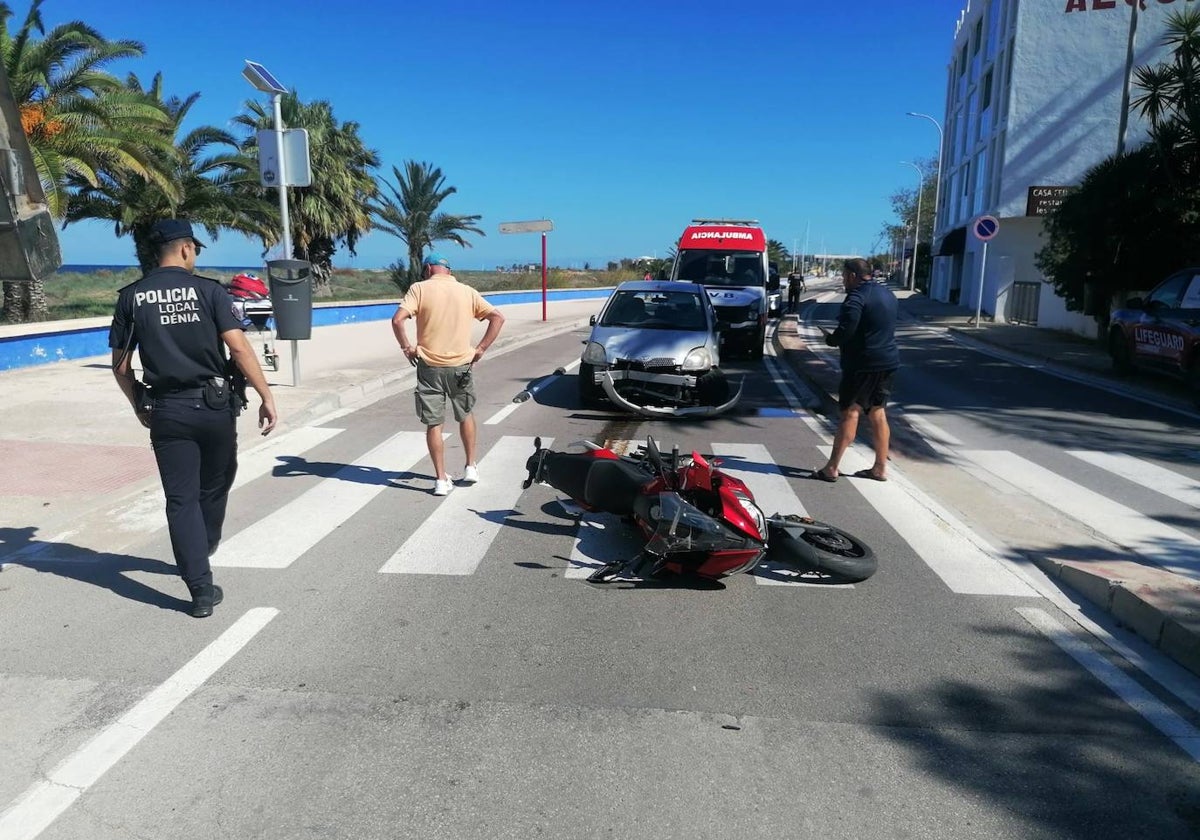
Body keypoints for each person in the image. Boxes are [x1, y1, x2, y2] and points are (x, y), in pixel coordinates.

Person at [109, 219, 278, 618]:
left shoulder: (131, 298)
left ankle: (200, 590)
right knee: (217, 481)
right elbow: (238, 350)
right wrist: (266, 395)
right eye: (195, 248)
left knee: (180, 499)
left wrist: (138, 404)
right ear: (186, 249)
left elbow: (119, 365)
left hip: (166, 409)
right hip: (215, 407)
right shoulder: (209, 291)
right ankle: (205, 544)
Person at [392, 253, 506, 495]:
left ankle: (441, 480)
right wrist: (481, 348)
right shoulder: (467, 291)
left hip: (429, 367)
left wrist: (407, 348)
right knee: (465, 414)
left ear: (428, 268)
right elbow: (497, 317)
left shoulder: (419, 289)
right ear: (448, 270)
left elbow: (397, 320)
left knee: (434, 422)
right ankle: (471, 466)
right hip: (461, 366)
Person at [814, 258, 898, 483]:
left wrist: (833, 339)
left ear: (852, 275)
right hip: (888, 362)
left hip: (862, 365)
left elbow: (848, 327)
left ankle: (831, 467)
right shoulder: (888, 294)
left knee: (850, 412)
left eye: (843, 276)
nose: (843, 280)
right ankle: (880, 467)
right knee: (877, 412)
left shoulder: (857, 297)